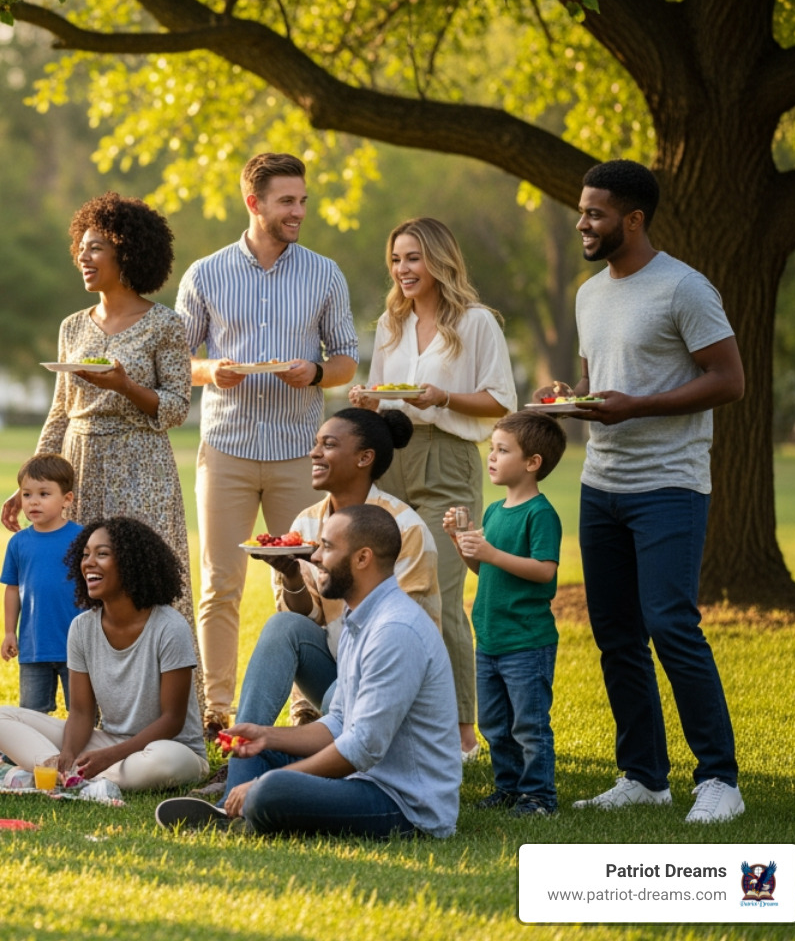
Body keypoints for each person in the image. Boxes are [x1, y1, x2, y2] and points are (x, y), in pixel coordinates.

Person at [552, 160, 745, 824]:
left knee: (670, 624)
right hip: (601, 483)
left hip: (669, 484)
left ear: (632, 220)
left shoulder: (684, 288)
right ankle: (643, 776)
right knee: (615, 634)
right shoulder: (589, 294)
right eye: (582, 210)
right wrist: (569, 399)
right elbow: (598, 381)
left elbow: (729, 380)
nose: (583, 222)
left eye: (596, 213)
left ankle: (719, 779)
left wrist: (635, 407)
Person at [174, 152, 359, 737]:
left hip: (300, 451)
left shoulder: (325, 274)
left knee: (310, 579)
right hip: (226, 447)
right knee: (220, 582)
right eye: (287, 201)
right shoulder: (205, 274)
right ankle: (217, 708)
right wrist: (211, 371)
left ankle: (310, 705)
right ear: (254, 202)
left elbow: (347, 360)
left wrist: (316, 372)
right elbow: (177, 360)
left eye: (302, 200)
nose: (298, 211)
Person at [155, 505, 460, 839]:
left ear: (363, 558)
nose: (314, 557)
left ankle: (252, 804)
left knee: (272, 788)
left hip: (403, 804)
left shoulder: (395, 630)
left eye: (327, 547)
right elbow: (339, 722)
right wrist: (266, 736)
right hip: (360, 780)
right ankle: (233, 811)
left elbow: (362, 747)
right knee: (251, 744)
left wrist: (266, 781)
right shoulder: (359, 618)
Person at [0, 192, 198, 698]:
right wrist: (29, 484)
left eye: (96, 248)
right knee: (85, 585)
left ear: (127, 253)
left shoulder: (165, 324)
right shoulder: (72, 326)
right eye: (81, 248)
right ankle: (94, 707)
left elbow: (177, 408)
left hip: (141, 463)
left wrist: (125, 386)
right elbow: (60, 412)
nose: (83, 258)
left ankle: (159, 704)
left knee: (142, 580)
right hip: (79, 463)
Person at [349, 217, 517, 759]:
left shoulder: (476, 322)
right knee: (391, 596)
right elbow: (388, 395)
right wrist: (370, 400)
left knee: (438, 597)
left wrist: (442, 397)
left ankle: (463, 733)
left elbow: (501, 401)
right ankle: (403, 721)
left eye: (414, 258)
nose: (403, 269)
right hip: (395, 459)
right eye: (397, 259)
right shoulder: (390, 323)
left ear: (440, 261)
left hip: (449, 463)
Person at [232, 407, 440, 741]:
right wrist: (292, 576)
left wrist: (334, 569)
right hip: (337, 673)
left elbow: (398, 631)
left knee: (337, 702)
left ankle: (305, 745)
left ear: (364, 458)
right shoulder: (307, 523)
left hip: (391, 678)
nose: (314, 453)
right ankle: (242, 747)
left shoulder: (404, 529)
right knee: (283, 626)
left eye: (328, 445)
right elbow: (306, 619)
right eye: (317, 443)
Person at [0, 517, 210, 793]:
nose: (88, 563)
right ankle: (58, 769)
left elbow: (172, 720)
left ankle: (55, 774)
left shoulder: (169, 627)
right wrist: (68, 753)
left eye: (102, 554)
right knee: (0, 718)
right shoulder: (82, 628)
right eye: (85, 555)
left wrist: (111, 756)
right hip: (109, 741)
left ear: (131, 563)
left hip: (170, 748)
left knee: (159, 764)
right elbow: (81, 712)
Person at [443, 412, 566, 817]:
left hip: (526, 640)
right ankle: (509, 788)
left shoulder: (540, 514)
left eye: (502, 450)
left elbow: (544, 571)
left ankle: (540, 797)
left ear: (532, 462)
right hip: (490, 638)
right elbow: (486, 569)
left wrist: (492, 552)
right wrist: (462, 542)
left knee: (529, 725)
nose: (491, 457)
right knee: (495, 723)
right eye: (491, 448)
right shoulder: (495, 510)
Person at [0, 454, 82, 714]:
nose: (33, 501)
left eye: (44, 494)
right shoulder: (18, 542)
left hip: (77, 648)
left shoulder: (82, 539)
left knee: (82, 712)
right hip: (34, 646)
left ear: (67, 499)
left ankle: (81, 743)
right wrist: (9, 632)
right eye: (27, 495)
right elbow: (13, 589)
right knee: (31, 714)